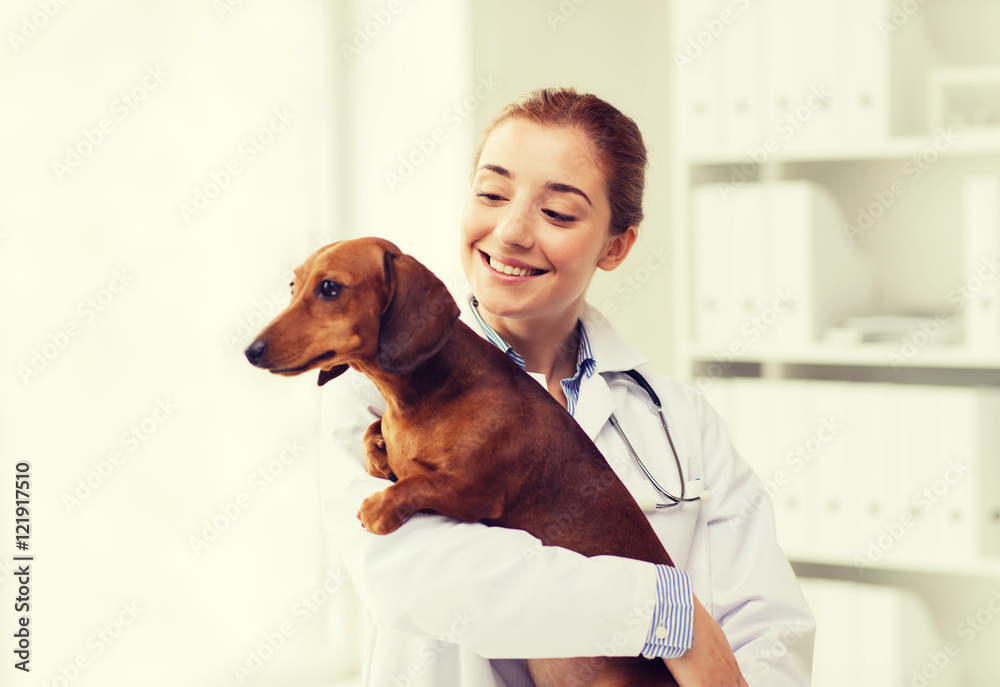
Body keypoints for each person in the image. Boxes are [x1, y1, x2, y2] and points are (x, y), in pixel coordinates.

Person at [320, 87, 815, 687]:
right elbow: (412, 577)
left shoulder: (680, 418)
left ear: (616, 246)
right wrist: (667, 611)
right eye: (491, 194)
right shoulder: (372, 392)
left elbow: (770, 627)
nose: (509, 232)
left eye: (557, 213)